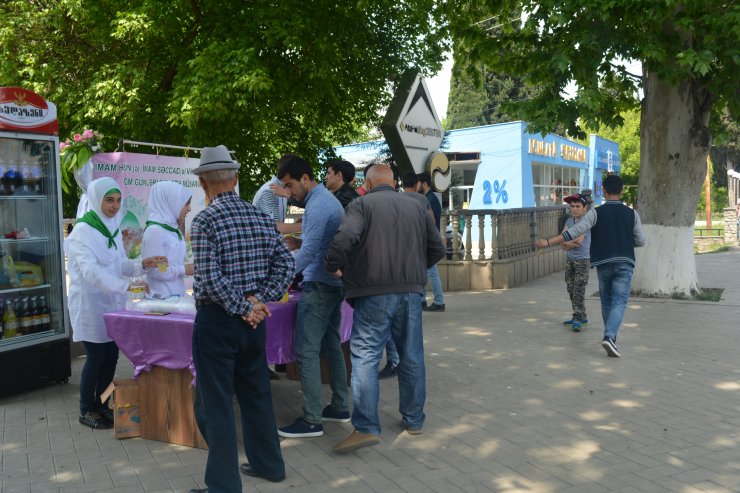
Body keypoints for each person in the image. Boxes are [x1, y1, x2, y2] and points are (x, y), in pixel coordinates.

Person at [189, 145, 295, 493]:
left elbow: (208, 277)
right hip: (252, 323)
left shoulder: (204, 220)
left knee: (217, 403)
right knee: (256, 393)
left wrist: (245, 305)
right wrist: (257, 302)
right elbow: (286, 265)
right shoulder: (260, 217)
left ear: (204, 184)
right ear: (235, 180)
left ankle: (223, 485)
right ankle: (270, 466)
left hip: (218, 321)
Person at [325, 164, 445, 454]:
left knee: (365, 357)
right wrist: (415, 271)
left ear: (368, 181)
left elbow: (343, 240)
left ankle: (366, 428)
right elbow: (437, 249)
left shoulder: (361, 204)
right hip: (411, 292)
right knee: (411, 354)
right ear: (393, 182)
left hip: (372, 292)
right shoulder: (418, 204)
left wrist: (333, 266)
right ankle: (415, 420)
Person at [65, 177, 166, 430]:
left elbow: (119, 264)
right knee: (96, 356)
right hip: (90, 304)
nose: (115, 205)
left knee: (111, 356)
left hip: (112, 304)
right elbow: (92, 272)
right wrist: (125, 286)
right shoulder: (82, 232)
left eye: (118, 200)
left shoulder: (110, 226)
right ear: (96, 201)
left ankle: (102, 403)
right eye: (109, 200)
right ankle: (86, 409)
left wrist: (143, 263)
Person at [276, 154, 350, 438]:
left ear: (306, 178)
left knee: (305, 350)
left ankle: (311, 420)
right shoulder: (322, 201)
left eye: (291, 185)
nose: (289, 192)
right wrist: (298, 241)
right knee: (331, 345)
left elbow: (308, 255)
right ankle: (340, 406)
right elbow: (315, 244)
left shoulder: (318, 205)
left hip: (319, 285)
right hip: (329, 284)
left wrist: (279, 279)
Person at [535, 174, 646, 358]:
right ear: (622, 191)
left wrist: (547, 241)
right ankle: (610, 337)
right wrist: (623, 241)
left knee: (607, 301)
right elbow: (641, 241)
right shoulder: (632, 214)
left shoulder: (596, 213)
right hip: (625, 262)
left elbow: (574, 232)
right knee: (619, 302)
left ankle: (610, 339)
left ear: (604, 191)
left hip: (603, 264)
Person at [379, 171, 434, 380]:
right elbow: (434, 242)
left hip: (385, 278)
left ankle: (393, 361)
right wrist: (422, 264)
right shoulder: (421, 202)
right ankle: (413, 412)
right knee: (411, 344)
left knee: (383, 333)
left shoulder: (381, 203)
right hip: (413, 278)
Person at [141, 181, 193, 298]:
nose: (189, 209)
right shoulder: (155, 231)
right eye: (186, 204)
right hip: (161, 301)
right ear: (172, 202)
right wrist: (184, 269)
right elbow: (157, 270)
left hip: (175, 298)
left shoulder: (172, 229)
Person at [560, 193, 591, 332]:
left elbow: (579, 241)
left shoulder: (586, 222)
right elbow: (562, 239)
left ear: (585, 208)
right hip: (570, 260)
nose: (574, 209)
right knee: (570, 288)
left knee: (578, 290)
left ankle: (577, 319)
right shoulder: (569, 222)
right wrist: (566, 243)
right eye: (572, 206)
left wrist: (567, 243)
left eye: (578, 206)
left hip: (582, 261)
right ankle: (581, 316)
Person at [417, 172, 445, 311]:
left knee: (431, 271)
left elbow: (430, 222)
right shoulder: (429, 198)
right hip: (429, 240)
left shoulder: (430, 199)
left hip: (429, 240)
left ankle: (439, 301)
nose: (416, 186)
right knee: (425, 270)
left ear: (424, 184)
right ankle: (422, 300)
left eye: (418, 183)